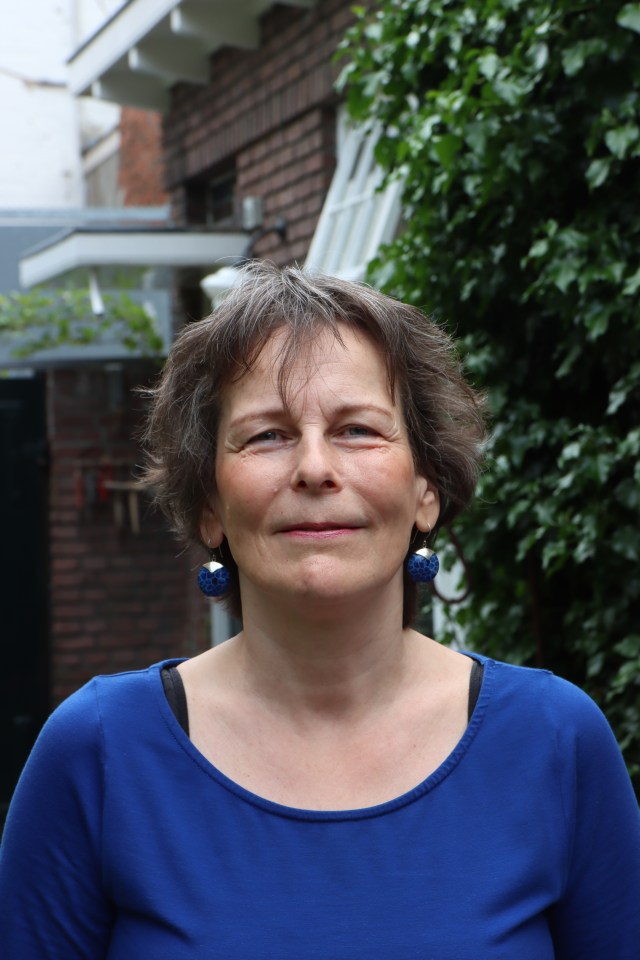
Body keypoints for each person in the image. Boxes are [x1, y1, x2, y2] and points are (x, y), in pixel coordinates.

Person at [1, 264, 638, 959]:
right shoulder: (97, 754)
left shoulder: (555, 742)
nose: (313, 468)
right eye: (267, 435)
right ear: (210, 505)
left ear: (426, 490)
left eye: (357, 429)